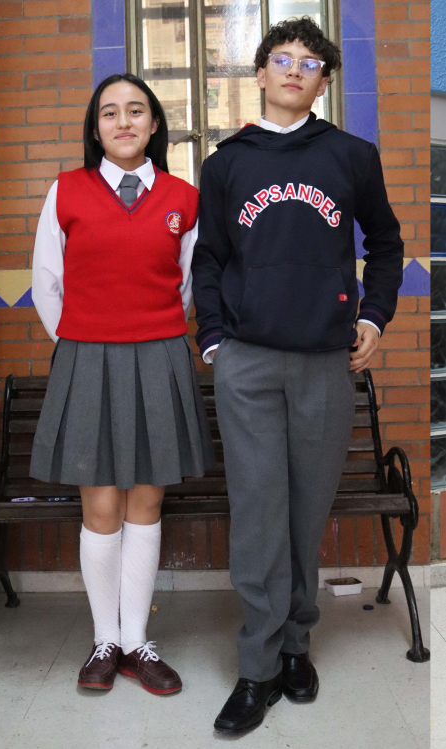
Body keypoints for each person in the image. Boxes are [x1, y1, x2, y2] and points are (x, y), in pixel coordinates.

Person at [192, 16, 404, 734]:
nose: (293, 70)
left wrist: (374, 316)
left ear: (324, 81)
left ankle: (294, 646)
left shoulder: (351, 156)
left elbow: (386, 242)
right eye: (280, 59)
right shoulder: (226, 164)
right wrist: (215, 340)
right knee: (258, 515)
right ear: (259, 74)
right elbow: (209, 259)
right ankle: (256, 668)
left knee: (305, 511)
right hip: (247, 362)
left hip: (324, 361)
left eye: (309, 63)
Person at [30, 73, 214, 694]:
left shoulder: (184, 198)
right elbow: (47, 283)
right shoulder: (66, 191)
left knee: (147, 503)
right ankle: (103, 640)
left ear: (155, 124)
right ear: (96, 128)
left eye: (136, 110)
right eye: (110, 113)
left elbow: (188, 286)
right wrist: (84, 342)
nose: (124, 121)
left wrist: (152, 335)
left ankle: (137, 641)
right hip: (87, 357)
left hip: (161, 356)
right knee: (102, 504)